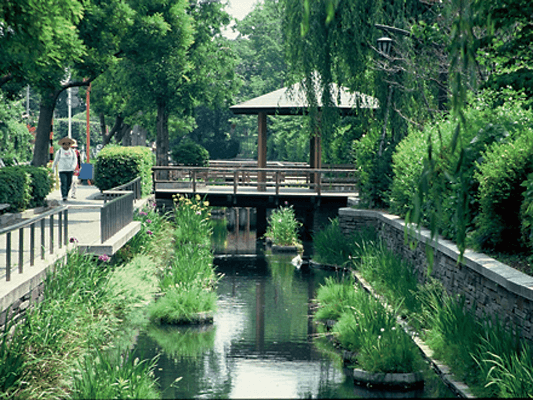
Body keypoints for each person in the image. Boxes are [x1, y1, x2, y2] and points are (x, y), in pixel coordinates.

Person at [52, 137, 78, 202]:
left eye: (68, 144)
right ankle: (64, 196)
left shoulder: (72, 151)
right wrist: (53, 167)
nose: (66, 146)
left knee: (69, 183)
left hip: (70, 169)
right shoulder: (60, 151)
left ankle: (66, 193)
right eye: (65, 144)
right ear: (62, 145)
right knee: (64, 182)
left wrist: (73, 166)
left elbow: (75, 160)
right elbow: (56, 160)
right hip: (62, 169)